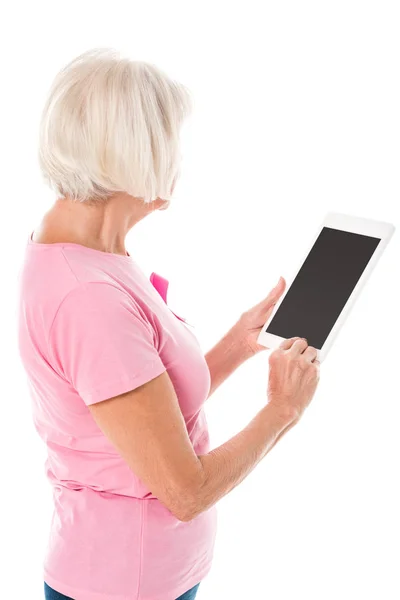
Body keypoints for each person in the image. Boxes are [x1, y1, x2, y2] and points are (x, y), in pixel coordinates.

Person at [17, 48, 320, 600]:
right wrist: (283, 410)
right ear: (132, 154)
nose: (175, 159)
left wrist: (237, 344)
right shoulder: (89, 298)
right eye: (168, 141)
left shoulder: (94, 253)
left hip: (148, 575)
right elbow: (186, 491)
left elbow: (144, 402)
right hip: (122, 585)